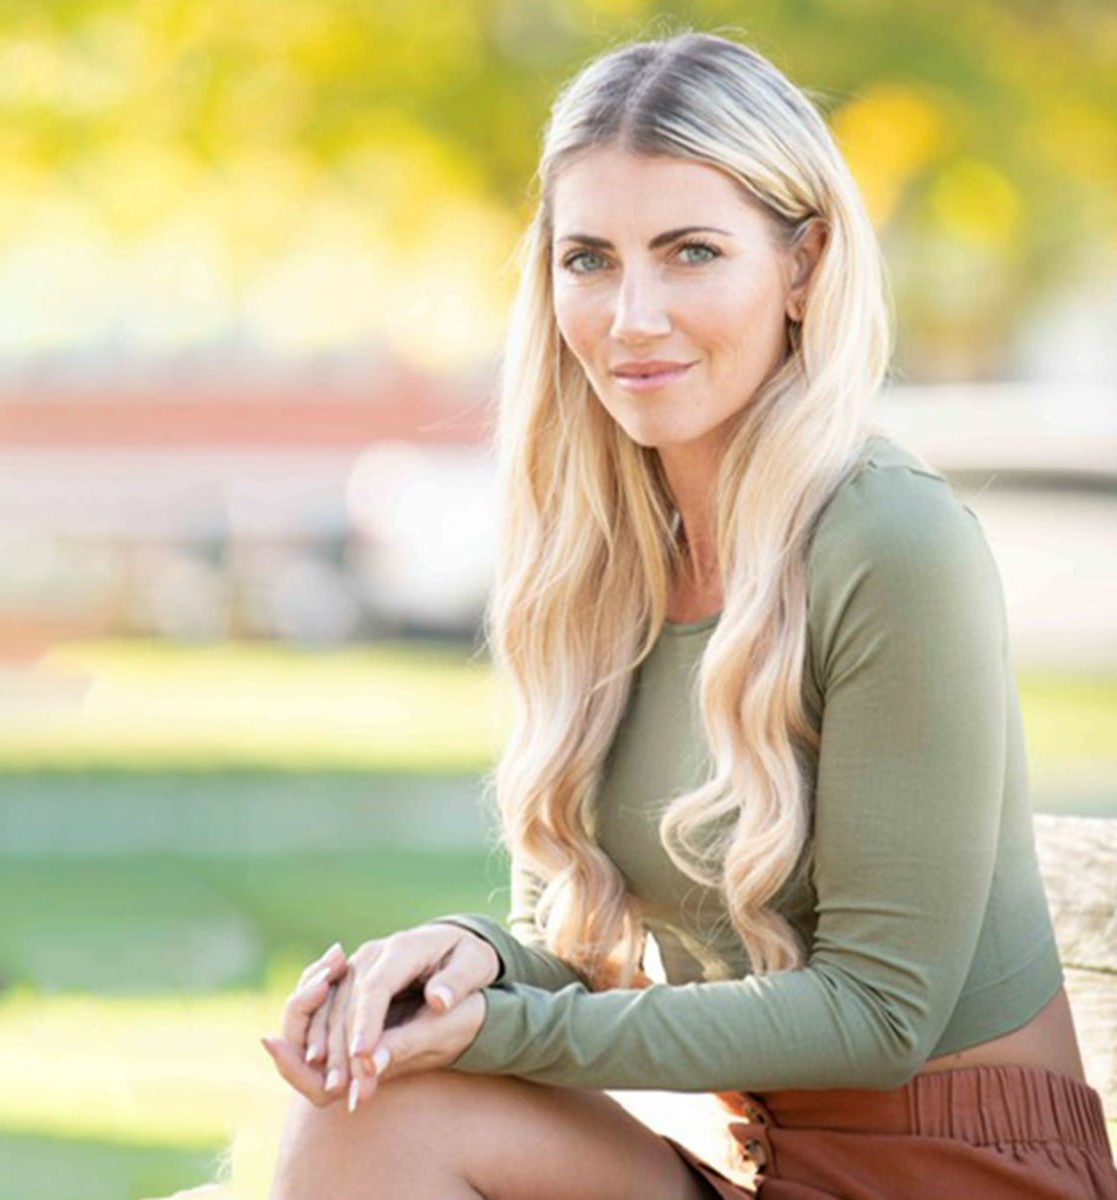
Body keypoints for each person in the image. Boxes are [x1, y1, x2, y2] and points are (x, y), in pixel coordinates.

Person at [260, 28, 1117, 1200]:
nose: (633, 317)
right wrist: (460, 965)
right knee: (364, 1121)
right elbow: (575, 941)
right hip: (767, 1159)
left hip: (957, 1170)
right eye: (591, 260)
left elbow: (878, 1016)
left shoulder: (892, 542)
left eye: (691, 253)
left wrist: (497, 1033)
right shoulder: (597, 557)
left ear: (804, 266)